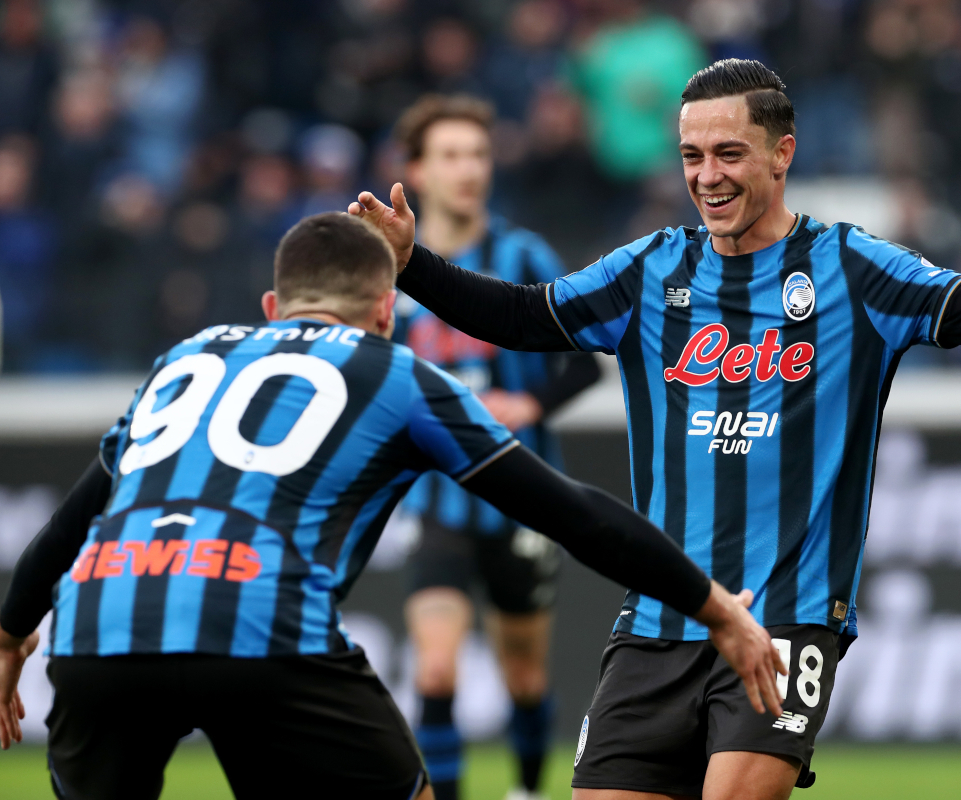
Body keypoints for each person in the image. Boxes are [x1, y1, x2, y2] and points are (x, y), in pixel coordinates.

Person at [348, 59, 961, 799]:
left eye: (729, 153)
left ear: (782, 152)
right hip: (657, 621)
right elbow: (521, 317)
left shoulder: (851, 267)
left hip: (787, 622)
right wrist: (412, 265)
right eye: (692, 157)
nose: (708, 176)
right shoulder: (650, 269)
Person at [0, 212, 786, 799]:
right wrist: (712, 606)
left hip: (98, 630)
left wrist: (7, 638)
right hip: (262, 630)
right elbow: (570, 513)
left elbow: (73, 520)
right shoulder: (396, 373)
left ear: (275, 306)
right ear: (386, 311)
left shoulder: (187, 356)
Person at [393, 94, 601, 800]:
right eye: (451, 155)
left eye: (479, 154)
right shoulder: (392, 274)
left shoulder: (523, 256)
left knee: (524, 676)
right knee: (435, 672)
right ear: (417, 171)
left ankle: (526, 790)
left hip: (521, 504)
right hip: (440, 504)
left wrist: (530, 402)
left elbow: (583, 358)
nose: (469, 169)